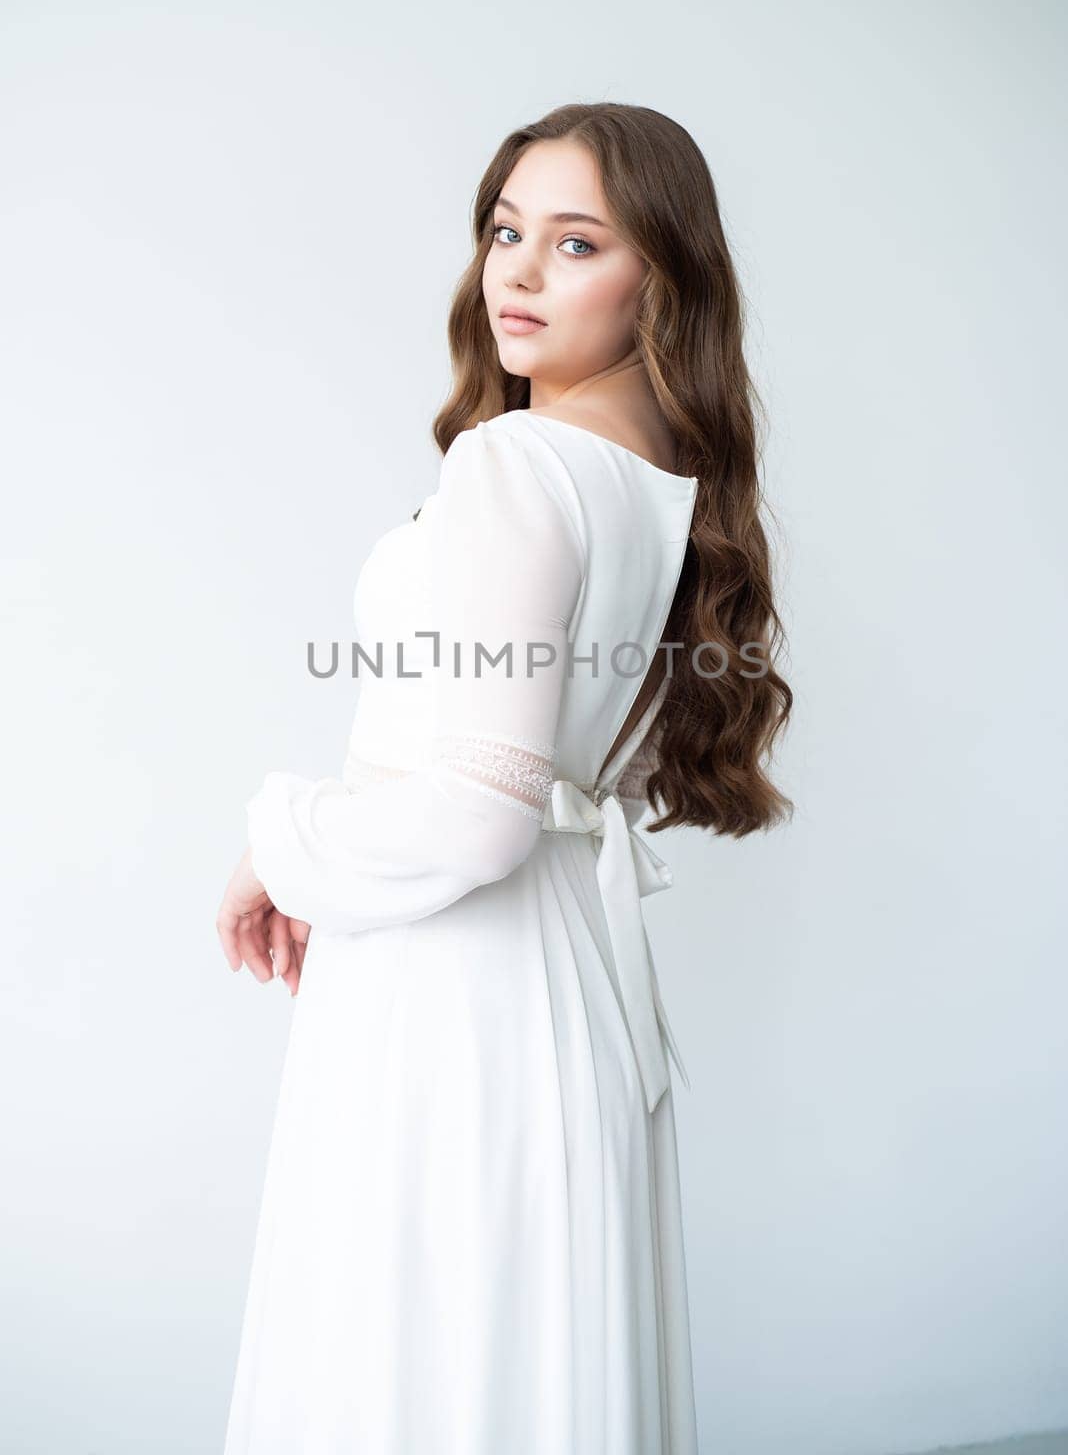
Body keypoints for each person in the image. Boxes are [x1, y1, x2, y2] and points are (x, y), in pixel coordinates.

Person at [216, 101, 793, 1453]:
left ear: (663, 275)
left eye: (576, 240)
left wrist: (280, 838)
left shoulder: (520, 467)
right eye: (505, 230)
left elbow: (475, 815)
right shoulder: (653, 482)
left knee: (418, 1367)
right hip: (563, 978)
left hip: (454, 991)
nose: (518, 271)